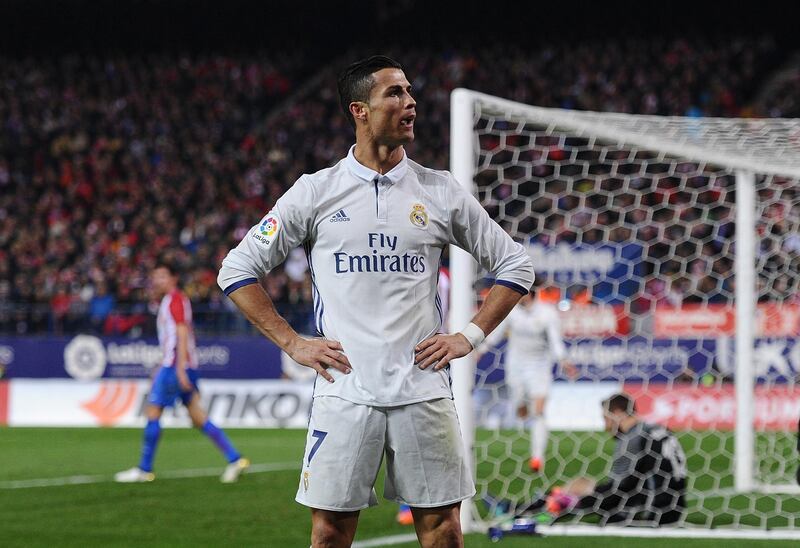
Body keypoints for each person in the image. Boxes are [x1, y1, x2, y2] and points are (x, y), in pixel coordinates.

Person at [217, 55, 534, 548]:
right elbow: (237, 270)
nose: (410, 102)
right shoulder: (315, 192)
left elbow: (516, 265)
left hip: (423, 390)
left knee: (445, 531)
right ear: (359, 110)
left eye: (410, 92)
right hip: (344, 393)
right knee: (328, 536)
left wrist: (468, 336)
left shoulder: (440, 190)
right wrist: (293, 343)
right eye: (395, 93)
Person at [115, 262, 249, 483]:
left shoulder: (175, 299)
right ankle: (235, 459)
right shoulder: (173, 300)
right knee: (198, 417)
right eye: (155, 276)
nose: (157, 281)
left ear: (173, 278)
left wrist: (178, 369)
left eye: (161, 276)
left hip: (176, 367)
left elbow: (182, 332)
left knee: (153, 412)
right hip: (182, 366)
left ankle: (144, 469)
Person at [514, 392, 687, 526]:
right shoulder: (656, 429)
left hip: (653, 512)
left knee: (581, 492)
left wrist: (573, 504)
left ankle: (532, 508)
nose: (605, 426)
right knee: (582, 484)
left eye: (606, 418)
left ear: (618, 413)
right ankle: (538, 504)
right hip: (674, 506)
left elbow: (617, 491)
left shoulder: (631, 439)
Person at [480, 280, 575, 472]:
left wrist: (563, 360)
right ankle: (522, 407)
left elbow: (555, 340)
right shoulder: (512, 312)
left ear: (529, 293)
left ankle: (537, 458)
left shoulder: (547, 313)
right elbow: (496, 334)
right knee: (520, 411)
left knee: (538, 411)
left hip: (539, 366)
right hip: (516, 366)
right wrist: (480, 349)